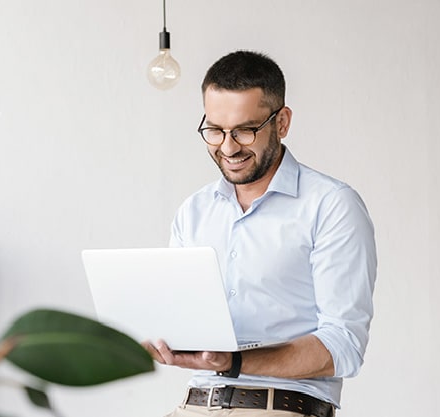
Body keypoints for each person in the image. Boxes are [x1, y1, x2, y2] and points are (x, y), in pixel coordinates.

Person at [143, 50, 377, 417]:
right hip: (193, 405)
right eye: (215, 131)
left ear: (281, 123)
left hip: (279, 406)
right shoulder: (194, 211)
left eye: (245, 130)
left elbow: (344, 345)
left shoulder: (331, 205)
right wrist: (161, 338)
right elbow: (181, 318)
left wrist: (234, 362)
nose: (228, 146)